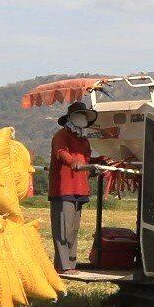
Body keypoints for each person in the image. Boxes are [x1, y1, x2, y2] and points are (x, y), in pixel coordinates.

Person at [47, 102, 99, 273]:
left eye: (84, 116)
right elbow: (61, 154)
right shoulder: (60, 136)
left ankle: (71, 263)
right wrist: (74, 163)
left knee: (73, 229)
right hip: (63, 189)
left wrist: (97, 166)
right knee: (63, 228)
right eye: (80, 115)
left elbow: (87, 161)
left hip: (80, 189)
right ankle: (63, 266)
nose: (83, 118)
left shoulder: (83, 140)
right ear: (71, 118)